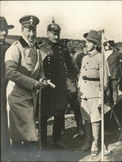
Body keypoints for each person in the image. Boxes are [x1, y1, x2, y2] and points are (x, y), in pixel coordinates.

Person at [5, 15, 46, 156]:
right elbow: (10, 72)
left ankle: (20, 157)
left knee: (22, 131)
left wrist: (42, 79)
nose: (32, 34)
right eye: (28, 30)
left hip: (31, 96)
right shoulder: (14, 49)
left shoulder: (37, 50)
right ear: (22, 30)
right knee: (26, 131)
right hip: (17, 96)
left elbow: (40, 70)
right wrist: (34, 83)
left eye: (34, 30)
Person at [39, 18, 77, 149]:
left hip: (60, 86)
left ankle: (57, 140)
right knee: (43, 115)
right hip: (46, 86)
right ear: (47, 33)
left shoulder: (63, 48)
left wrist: (71, 83)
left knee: (59, 114)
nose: (56, 36)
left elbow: (71, 67)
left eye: (58, 34)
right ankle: (42, 142)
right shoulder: (42, 48)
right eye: (53, 33)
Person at [78, 30, 110, 156]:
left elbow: (104, 80)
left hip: (95, 93)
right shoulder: (84, 57)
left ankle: (95, 143)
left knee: (95, 119)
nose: (86, 44)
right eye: (85, 42)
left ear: (95, 44)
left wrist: (101, 96)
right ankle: (87, 141)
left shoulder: (100, 58)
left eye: (88, 42)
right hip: (84, 93)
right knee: (86, 118)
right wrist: (79, 93)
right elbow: (81, 76)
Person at [0, 16, 14, 157]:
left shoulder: (9, 48)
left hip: (5, 89)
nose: (4, 33)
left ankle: (4, 150)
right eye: (0, 30)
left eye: (5, 30)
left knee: (4, 119)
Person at [67, 48, 84, 135]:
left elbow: (77, 72)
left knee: (76, 108)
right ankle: (61, 129)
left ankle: (80, 127)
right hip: (62, 88)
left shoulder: (72, 60)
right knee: (60, 110)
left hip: (72, 87)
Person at [104, 40, 122, 105]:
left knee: (110, 88)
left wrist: (119, 65)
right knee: (113, 88)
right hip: (112, 74)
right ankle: (113, 102)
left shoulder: (104, 54)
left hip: (111, 74)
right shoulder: (116, 53)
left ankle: (112, 102)